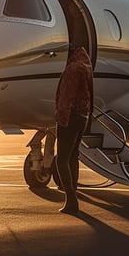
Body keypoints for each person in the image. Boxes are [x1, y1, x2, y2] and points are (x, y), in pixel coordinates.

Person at [54, 45, 93, 215]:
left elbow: (66, 96)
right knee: (73, 156)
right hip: (83, 117)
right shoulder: (86, 67)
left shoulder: (72, 69)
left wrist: (62, 118)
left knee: (61, 159)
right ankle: (73, 195)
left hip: (70, 118)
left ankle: (71, 199)